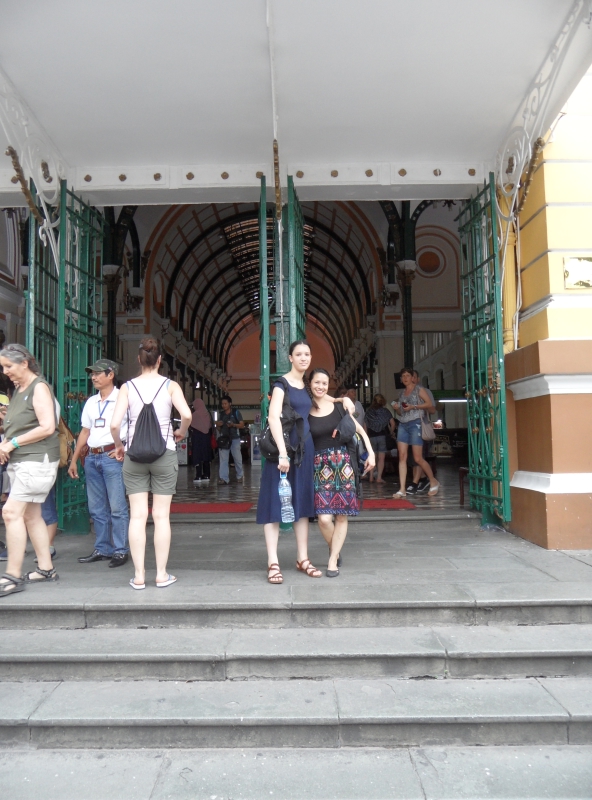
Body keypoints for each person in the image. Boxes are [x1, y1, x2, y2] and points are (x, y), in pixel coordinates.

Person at [256, 340, 354, 584]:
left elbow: (322, 395)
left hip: (304, 451)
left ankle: (303, 558)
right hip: (283, 451)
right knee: (274, 503)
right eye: (298, 354)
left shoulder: (307, 386)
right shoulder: (281, 384)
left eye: (307, 354)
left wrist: (342, 400)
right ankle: (273, 562)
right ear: (290, 357)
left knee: (301, 503)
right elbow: (273, 417)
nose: (303, 358)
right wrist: (282, 452)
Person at [110, 337, 191, 590]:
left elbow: (115, 424)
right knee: (161, 516)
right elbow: (186, 414)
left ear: (139, 359)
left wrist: (119, 445)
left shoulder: (127, 387)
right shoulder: (170, 386)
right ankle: (161, 575)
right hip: (164, 453)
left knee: (137, 516)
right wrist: (181, 432)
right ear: (159, 360)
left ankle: (139, 576)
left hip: (134, 456)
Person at [0, 344, 60, 596]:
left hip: (36, 461)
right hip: (24, 461)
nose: (5, 372)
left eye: (8, 366)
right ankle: (46, 568)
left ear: (24, 363)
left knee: (10, 512)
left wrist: (11, 443)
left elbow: (47, 426)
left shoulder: (39, 388)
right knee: (31, 516)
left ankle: (12, 575)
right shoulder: (19, 390)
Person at [309, 368, 374, 577]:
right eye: (317, 382)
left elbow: (359, 430)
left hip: (343, 464)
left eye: (324, 383)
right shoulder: (305, 408)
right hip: (320, 466)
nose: (320, 386)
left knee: (341, 516)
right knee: (323, 519)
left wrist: (371, 453)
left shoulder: (338, 408)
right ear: (310, 384)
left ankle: (332, 560)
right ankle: (335, 549)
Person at [68, 359, 130, 568]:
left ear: (110, 375)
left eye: (97, 373)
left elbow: (134, 426)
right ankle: (103, 548)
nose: (93, 377)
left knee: (117, 507)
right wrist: (74, 460)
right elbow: (85, 432)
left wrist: (125, 448)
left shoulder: (123, 398)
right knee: (96, 508)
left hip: (113, 457)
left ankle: (120, 550)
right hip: (92, 457)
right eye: (92, 373)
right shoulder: (91, 402)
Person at [392, 367, 439, 498]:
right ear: (401, 379)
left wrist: (414, 406)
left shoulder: (419, 389)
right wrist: (397, 408)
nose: (405, 378)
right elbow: (401, 412)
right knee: (402, 456)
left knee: (417, 458)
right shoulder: (402, 393)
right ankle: (402, 489)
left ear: (413, 378)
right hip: (403, 424)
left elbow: (429, 404)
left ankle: (433, 480)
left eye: (408, 375)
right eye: (403, 376)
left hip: (416, 423)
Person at [407, 370, 437, 494]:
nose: (411, 379)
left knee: (419, 457)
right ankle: (424, 480)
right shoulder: (406, 393)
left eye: (413, 377)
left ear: (418, 379)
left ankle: (416, 482)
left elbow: (432, 409)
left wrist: (419, 405)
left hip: (421, 427)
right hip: (409, 427)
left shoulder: (425, 391)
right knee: (413, 458)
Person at [363, 394, 395, 484]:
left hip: (371, 437)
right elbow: (393, 424)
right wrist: (391, 433)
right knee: (381, 458)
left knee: (372, 457)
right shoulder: (386, 411)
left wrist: (366, 437)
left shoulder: (369, 412)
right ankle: (379, 478)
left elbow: (365, 426)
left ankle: (371, 477)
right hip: (382, 436)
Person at [216, 395, 244, 485]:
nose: (223, 405)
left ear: (230, 404)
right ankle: (224, 478)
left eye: (225, 403)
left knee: (237, 458)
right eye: (222, 404)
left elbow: (242, 425)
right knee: (223, 459)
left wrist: (233, 425)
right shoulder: (221, 414)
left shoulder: (236, 412)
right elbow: (219, 429)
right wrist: (218, 426)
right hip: (224, 439)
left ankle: (240, 476)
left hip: (235, 438)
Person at [190, 395, 214, 484]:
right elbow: (211, 426)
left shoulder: (195, 414)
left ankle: (198, 475)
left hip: (197, 438)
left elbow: (190, 424)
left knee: (198, 456)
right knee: (206, 456)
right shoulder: (207, 414)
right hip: (206, 438)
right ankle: (206, 475)